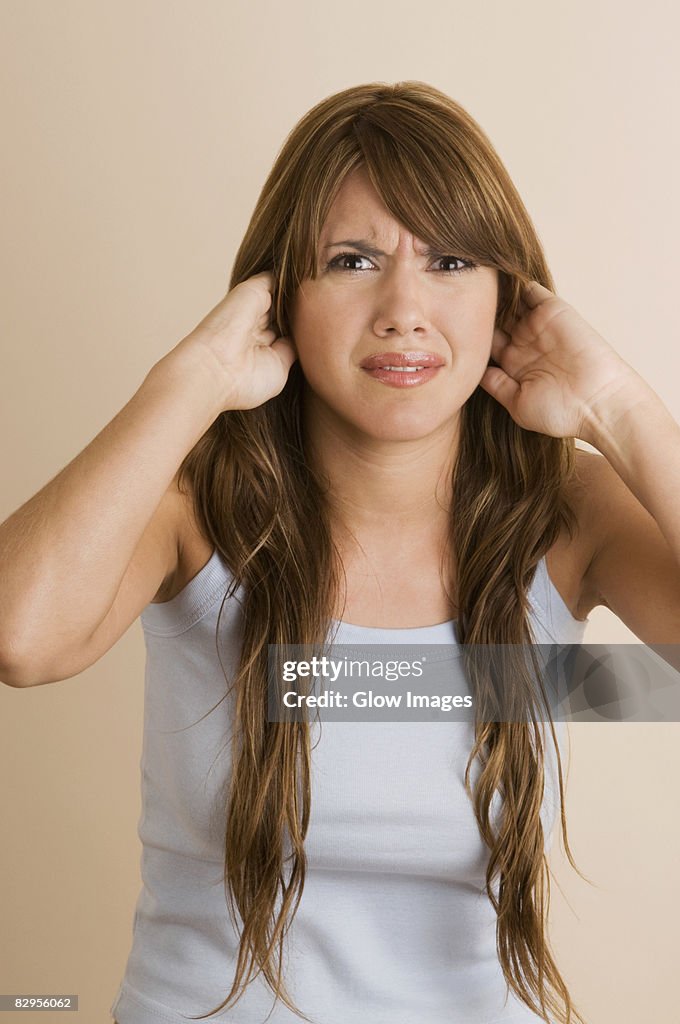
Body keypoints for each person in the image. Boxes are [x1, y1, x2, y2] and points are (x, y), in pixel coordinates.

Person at [2, 80, 679, 1024]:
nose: (404, 308)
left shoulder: (564, 513)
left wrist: (619, 405)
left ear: (509, 301)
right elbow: (21, 638)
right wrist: (191, 378)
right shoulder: (194, 505)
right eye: (353, 260)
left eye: (450, 261)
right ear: (279, 295)